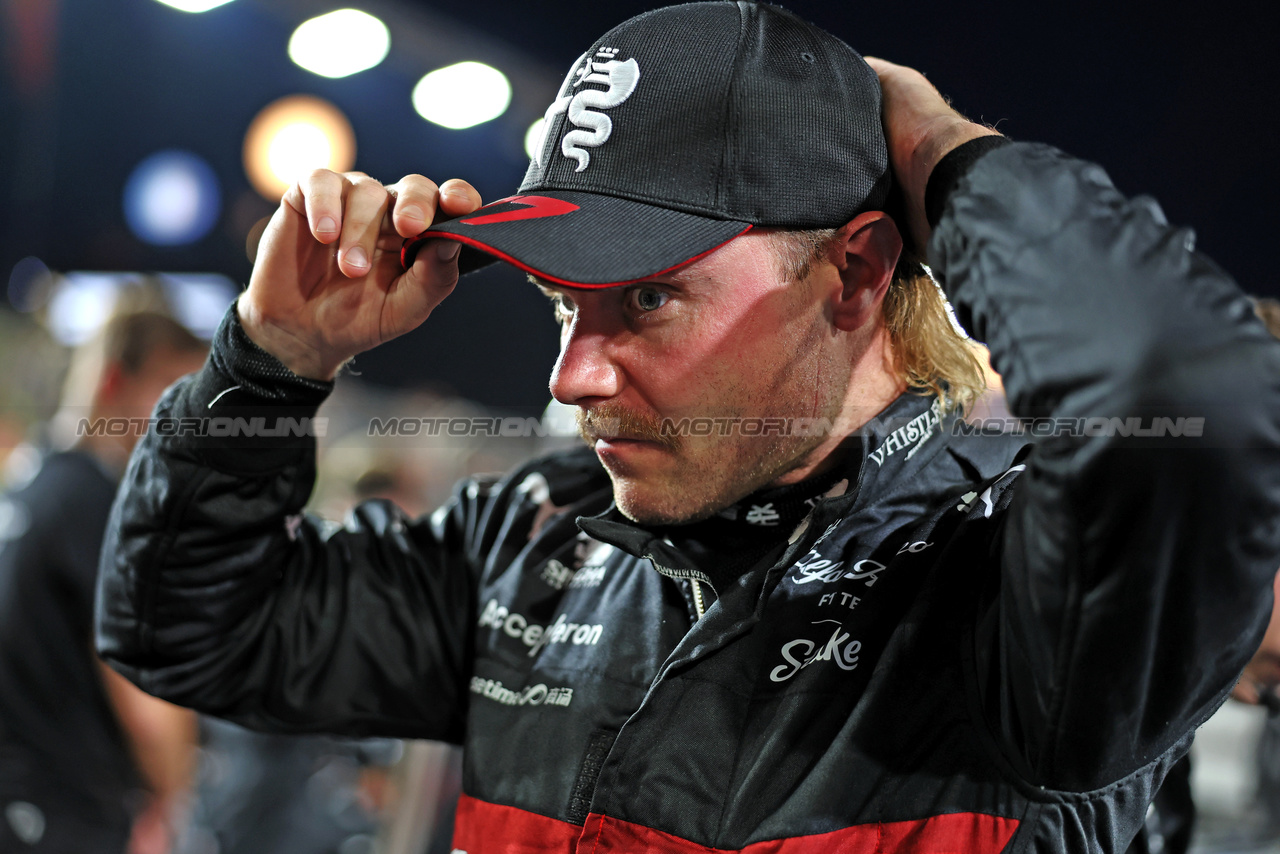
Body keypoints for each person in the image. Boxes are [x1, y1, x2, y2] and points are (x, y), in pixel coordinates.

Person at [95, 3, 1280, 852]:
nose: (570, 373)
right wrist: (272, 360)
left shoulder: (1017, 591)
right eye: (565, 302)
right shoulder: (537, 539)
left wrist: (939, 153)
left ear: (856, 270)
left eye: (647, 296)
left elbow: (1182, 380)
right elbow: (178, 627)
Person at [2, 309, 205, 852]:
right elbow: (147, 702)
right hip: (70, 817)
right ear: (115, 381)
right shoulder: (98, 504)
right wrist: (172, 802)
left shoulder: (31, 486)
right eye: (172, 394)